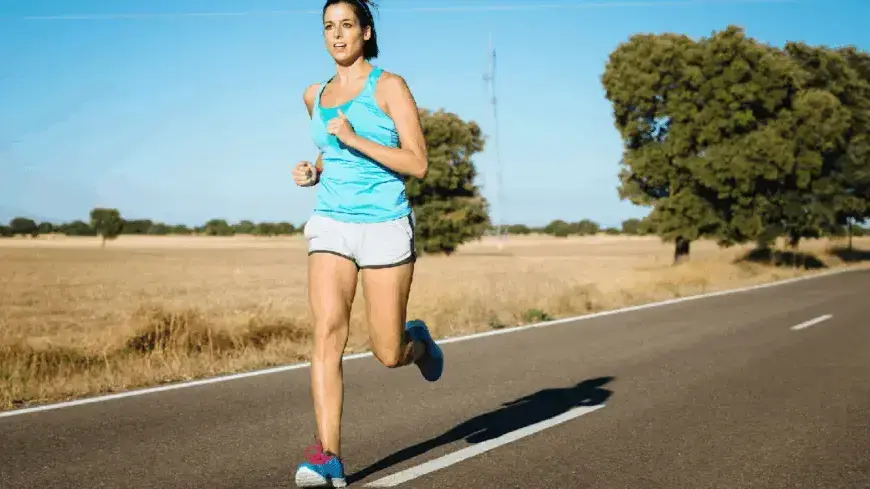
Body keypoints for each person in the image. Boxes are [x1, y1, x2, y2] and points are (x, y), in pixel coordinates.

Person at [290, 0, 443, 486]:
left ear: (366, 31)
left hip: (384, 225)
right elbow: (328, 148)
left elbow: (417, 163)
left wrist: (355, 140)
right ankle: (328, 456)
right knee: (328, 329)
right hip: (331, 222)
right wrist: (314, 170)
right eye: (329, 27)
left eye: (347, 25)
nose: (337, 36)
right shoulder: (315, 94)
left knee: (386, 352)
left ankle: (415, 342)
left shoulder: (390, 86)